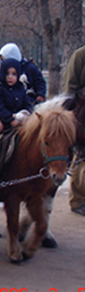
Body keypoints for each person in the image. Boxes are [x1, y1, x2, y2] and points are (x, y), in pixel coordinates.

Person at [64, 45, 85, 216]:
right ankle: (77, 201)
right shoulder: (79, 55)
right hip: (82, 111)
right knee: (81, 155)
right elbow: (71, 87)